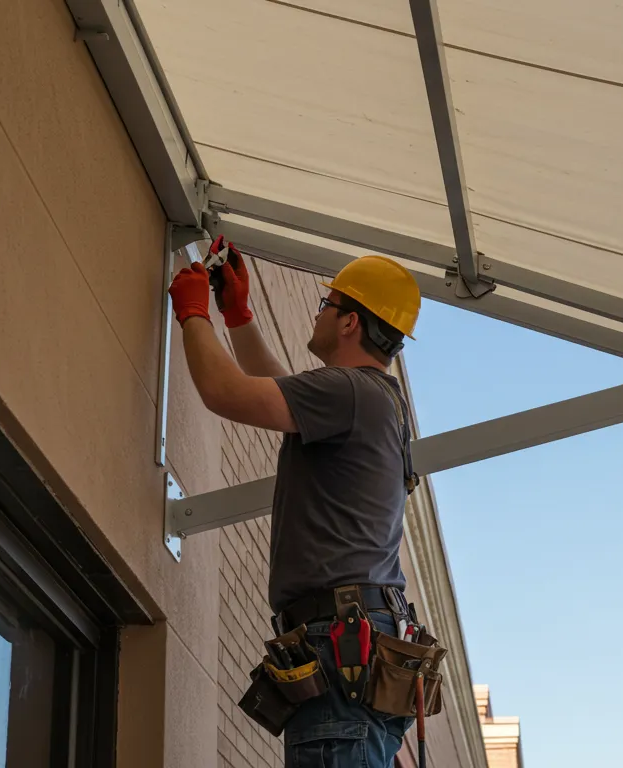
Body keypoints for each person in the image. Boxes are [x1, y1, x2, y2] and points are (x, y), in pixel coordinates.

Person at [169, 236, 423, 767]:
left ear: (350, 321)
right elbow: (281, 391)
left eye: (326, 305)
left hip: (340, 649)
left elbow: (227, 393)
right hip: (361, 646)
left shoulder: (351, 391)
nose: (318, 315)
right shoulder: (377, 401)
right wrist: (237, 312)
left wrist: (193, 310)